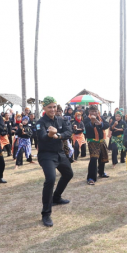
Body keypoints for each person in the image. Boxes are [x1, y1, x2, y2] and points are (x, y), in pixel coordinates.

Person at [36, 96, 74, 227]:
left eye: (54, 106)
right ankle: (46, 213)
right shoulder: (40, 122)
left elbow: (69, 132)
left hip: (60, 153)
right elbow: (41, 137)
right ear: (44, 108)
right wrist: (49, 135)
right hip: (46, 155)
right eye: (49, 107)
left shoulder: (60, 119)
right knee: (50, 179)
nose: (52, 109)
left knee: (68, 174)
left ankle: (56, 197)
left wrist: (59, 135)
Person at [84, 105, 110, 185]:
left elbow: (107, 125)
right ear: (89, 112)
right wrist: (92, 122)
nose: (94, 113)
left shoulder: (101, 117)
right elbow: (87, 128)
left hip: (101, 141)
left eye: (95, 111)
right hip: (92, 141)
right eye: (92, 111)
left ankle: (101, 173)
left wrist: (100, 123)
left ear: (97, 111)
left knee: (103, 157)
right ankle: (91, 178)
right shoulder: (86, 119)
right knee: (94, 158)